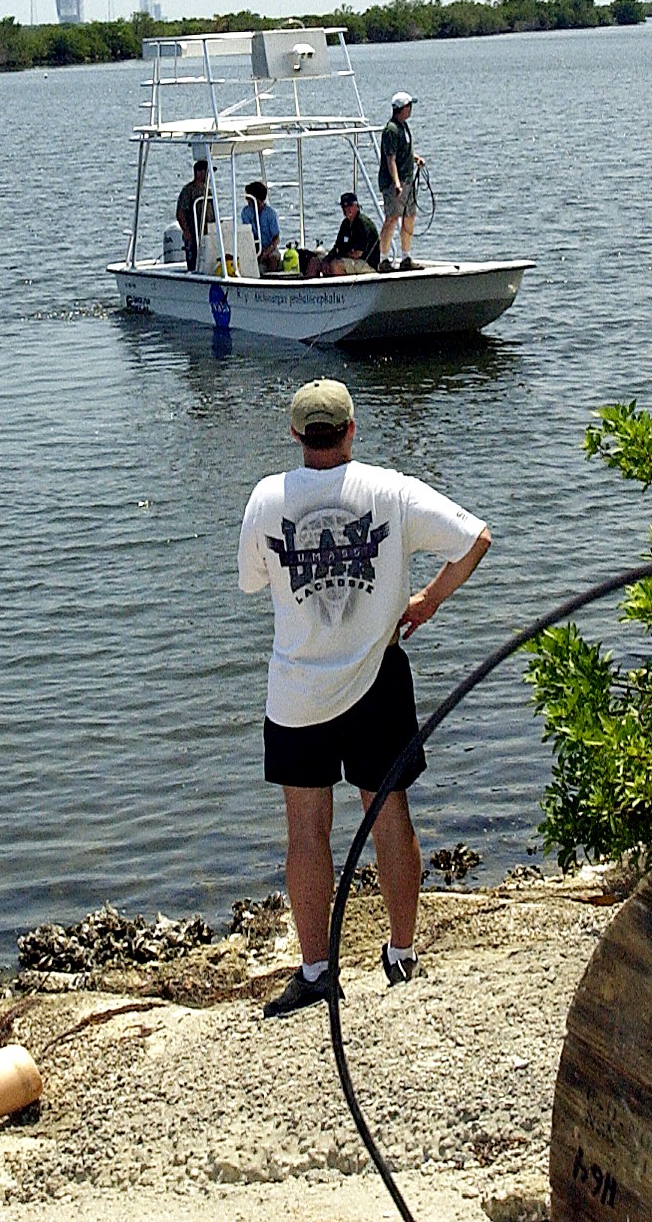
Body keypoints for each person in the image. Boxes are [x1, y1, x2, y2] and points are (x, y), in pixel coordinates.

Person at [238, 379, 490, 1016]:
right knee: (390, 815)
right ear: (352, 430)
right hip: (378, 678)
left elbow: (251, 581)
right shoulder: (390, 490)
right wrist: (427, 601)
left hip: (296, 690)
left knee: (306, 831)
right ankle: (401, 954)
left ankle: (319, 968)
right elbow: (475, 539)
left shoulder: (267, 498)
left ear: (296, 436)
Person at [375, 93, 421, 270]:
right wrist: (396, 183)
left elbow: (403, 151)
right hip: (395, 183)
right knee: (392, 219)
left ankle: (406, 257)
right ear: (403, 108)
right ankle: (383, 259)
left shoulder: (404, 126)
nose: (411, 109)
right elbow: (390, 158)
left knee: (409, 217)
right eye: (409, 106)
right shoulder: (391, 130)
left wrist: (415, 158)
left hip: (408, 181)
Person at [310, 191, 381, 277]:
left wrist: (340, 255)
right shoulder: (345, 224)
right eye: (344, 206)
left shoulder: (363, 224)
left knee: (336, 265)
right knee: (316, 262)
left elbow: (357, 253)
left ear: (356, 206)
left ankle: (343, 289)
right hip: (348, 259)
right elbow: (337, 246)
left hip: (366, 263)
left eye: (350, 205)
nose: (347, 209)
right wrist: (327, 258)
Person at [173, 155, 215, 271]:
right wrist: (187, 232)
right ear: (199, 172)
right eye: (207, 171)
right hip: (193, 232)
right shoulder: (188, 191)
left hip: (208, 232)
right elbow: (180, 213)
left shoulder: (208, 190)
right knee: (193, 261)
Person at [240, 179, 285, 276]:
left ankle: (271, 281)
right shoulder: (246, 212)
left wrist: (267, 252)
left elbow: (276, 238)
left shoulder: (270, 214)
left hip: (269, 248)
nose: (247, 200)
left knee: (273, 258)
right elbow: (246, 233)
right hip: (253, 247)